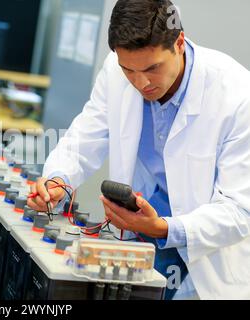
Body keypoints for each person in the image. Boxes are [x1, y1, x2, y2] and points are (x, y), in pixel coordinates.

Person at [27, 0, 250, 300]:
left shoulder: (237, 95)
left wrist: (163, 228)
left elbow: (240, 210)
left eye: (152, 68)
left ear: (179, 43)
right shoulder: (116, 72)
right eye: (129, 70)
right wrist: (58, 180)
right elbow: (84, 137)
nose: (141, 82)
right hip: (141, 243)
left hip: (209, 261)